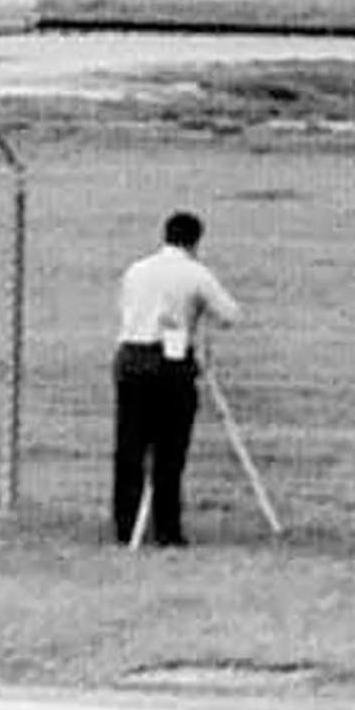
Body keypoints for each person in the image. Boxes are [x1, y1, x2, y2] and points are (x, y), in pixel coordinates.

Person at [111, 207, 242, 548]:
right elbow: (230, 315)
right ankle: (167, 529)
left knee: (130, 447)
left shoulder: (137, 270)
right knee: (170, 450)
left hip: (130, 358)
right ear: (195, 242)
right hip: (169, 363)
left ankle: (125, 525)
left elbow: (126, 309)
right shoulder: (195, 274)